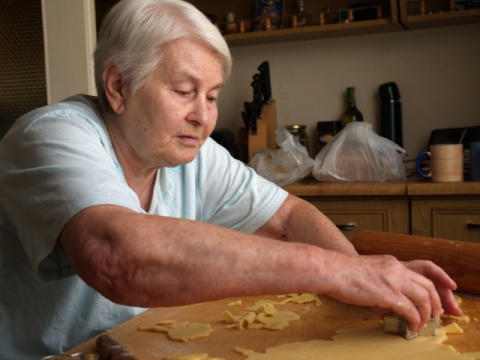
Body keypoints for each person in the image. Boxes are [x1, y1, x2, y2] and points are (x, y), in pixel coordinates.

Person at [0, 0, 462, 358]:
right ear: (118, 87)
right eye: (184, 92)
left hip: (132, 346)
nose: (202, 116)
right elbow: (118, 256)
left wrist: (366, 286)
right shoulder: (51, 135)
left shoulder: (189, 152)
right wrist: (341, 272)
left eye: (212, 96)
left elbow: (287, 217)